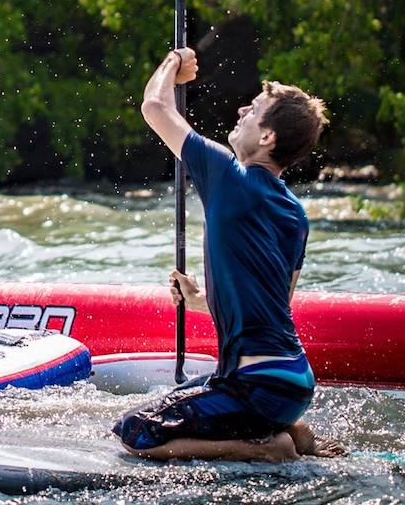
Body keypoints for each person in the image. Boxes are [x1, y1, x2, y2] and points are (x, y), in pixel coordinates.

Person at [113, 47, 343, 461]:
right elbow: (275, 305)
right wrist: (201, 300)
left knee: (136, 433)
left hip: (254, 385)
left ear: (268, 137)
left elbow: (154, 106)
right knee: (180, 395)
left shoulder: (227, 173)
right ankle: (290, 425)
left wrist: (173, 63)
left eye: (253, 109)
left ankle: (270, 447)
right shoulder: (296, 213)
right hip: (293, 381)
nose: (241, 110)